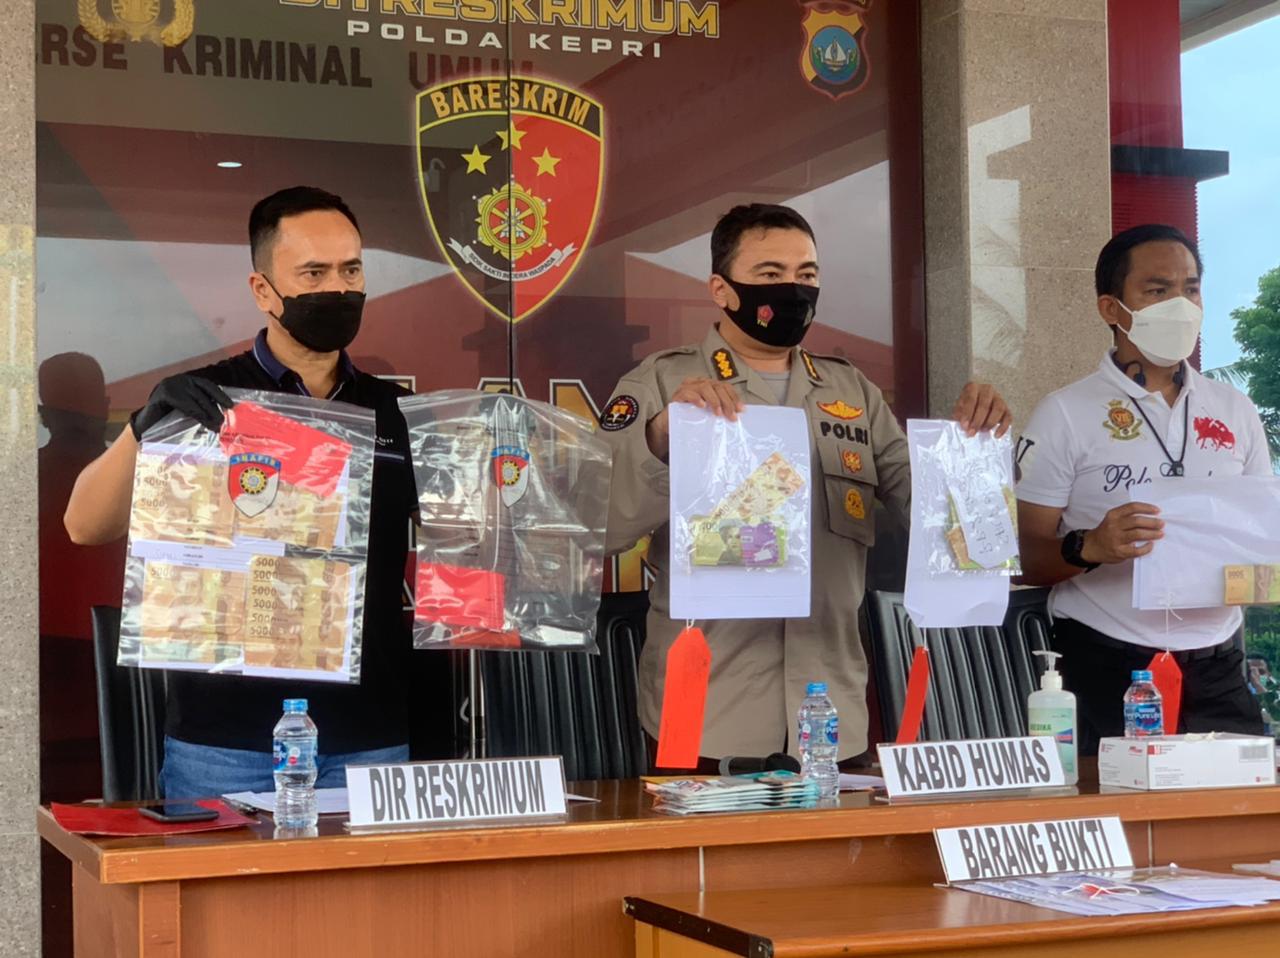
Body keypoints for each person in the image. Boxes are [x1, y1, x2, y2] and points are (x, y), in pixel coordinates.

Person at [600, 203, 1010, 769]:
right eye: (770, 273)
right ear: (721, 289)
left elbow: (930, 513)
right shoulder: (663, 381)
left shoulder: (851, 391)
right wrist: (664, 434)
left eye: (806, 274)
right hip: (708, 707)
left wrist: (971, 450)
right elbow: (602, 527)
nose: (792, 289)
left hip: (830, 705)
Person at [64, 186, 420, 798]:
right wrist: (142, 427)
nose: (337, 288)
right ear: (263, 290)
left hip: (369, 737)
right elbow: (84, 524)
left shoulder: (400, 413)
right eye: (313, 273)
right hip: (223, 741)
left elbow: (474, 545)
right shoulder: (202, 400)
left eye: (351, 270)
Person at [1015, 224, 1268, 755]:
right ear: (1112, 308)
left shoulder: (1235, 410)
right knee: (1115, 806)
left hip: (1218, 667)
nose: (1181, 305)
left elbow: (1259, 539)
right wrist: (1089, 547)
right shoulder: (1064, 413)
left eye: (1191, 289)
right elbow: (1023, 558)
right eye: (1157, 290)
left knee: (1240, 807)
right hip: (1105, 665)